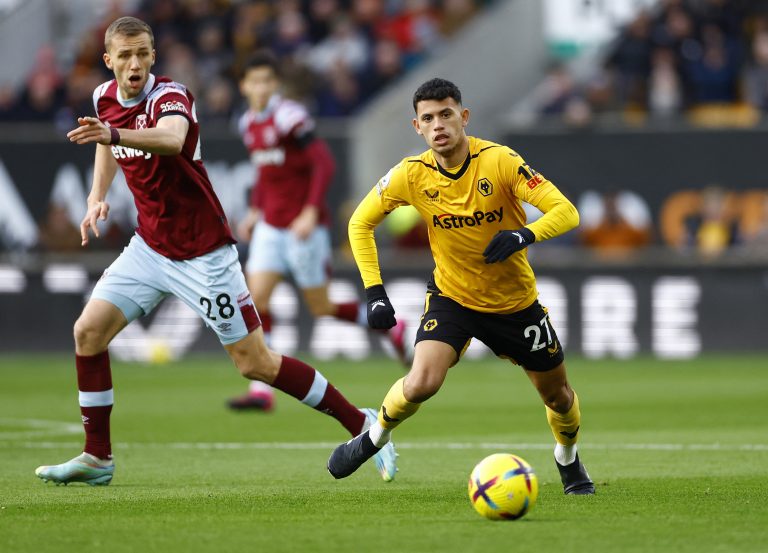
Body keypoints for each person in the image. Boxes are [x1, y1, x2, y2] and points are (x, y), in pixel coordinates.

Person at [34, 16, 397, 486]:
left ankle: (362, 423)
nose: (134, 63)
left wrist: (114, 135)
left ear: (153, 56)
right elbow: (105, 142)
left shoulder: (171, 96)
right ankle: (98, 457)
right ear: (108, 61)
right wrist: (97, 195)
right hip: (149, 247)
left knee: (255, 363)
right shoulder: (103, 98)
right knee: (87, 333)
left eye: (142, 52)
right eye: (124, 55)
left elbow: (170, 139)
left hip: (204, 253)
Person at [327, 78, 595, 495]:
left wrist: (525, 235)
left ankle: (567, 458)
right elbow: (359, 223)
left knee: (558, 397)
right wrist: (374, 292)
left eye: (446, 114)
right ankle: (373, 437)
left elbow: (566, 211)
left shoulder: (500, 161)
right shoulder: (410, 175)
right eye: (428, 118)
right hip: (452, 297)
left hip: (514, 304)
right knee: (421, 382)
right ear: (417, 126)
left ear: (463, 117)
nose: (438, 125)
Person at [227, 51, 408, 411]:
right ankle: (263, 392)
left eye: (267, 80)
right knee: (255, 301)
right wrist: (253, 211)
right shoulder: (247, 121)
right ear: (244, 86)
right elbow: (264, 172)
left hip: (303, 229)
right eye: (254, 81)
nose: (261, 87)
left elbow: (323, 162)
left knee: (321, 306)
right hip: (270, 227)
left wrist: (310, 212)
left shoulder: (289, 117)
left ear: (274, 84)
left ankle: (395, 327)